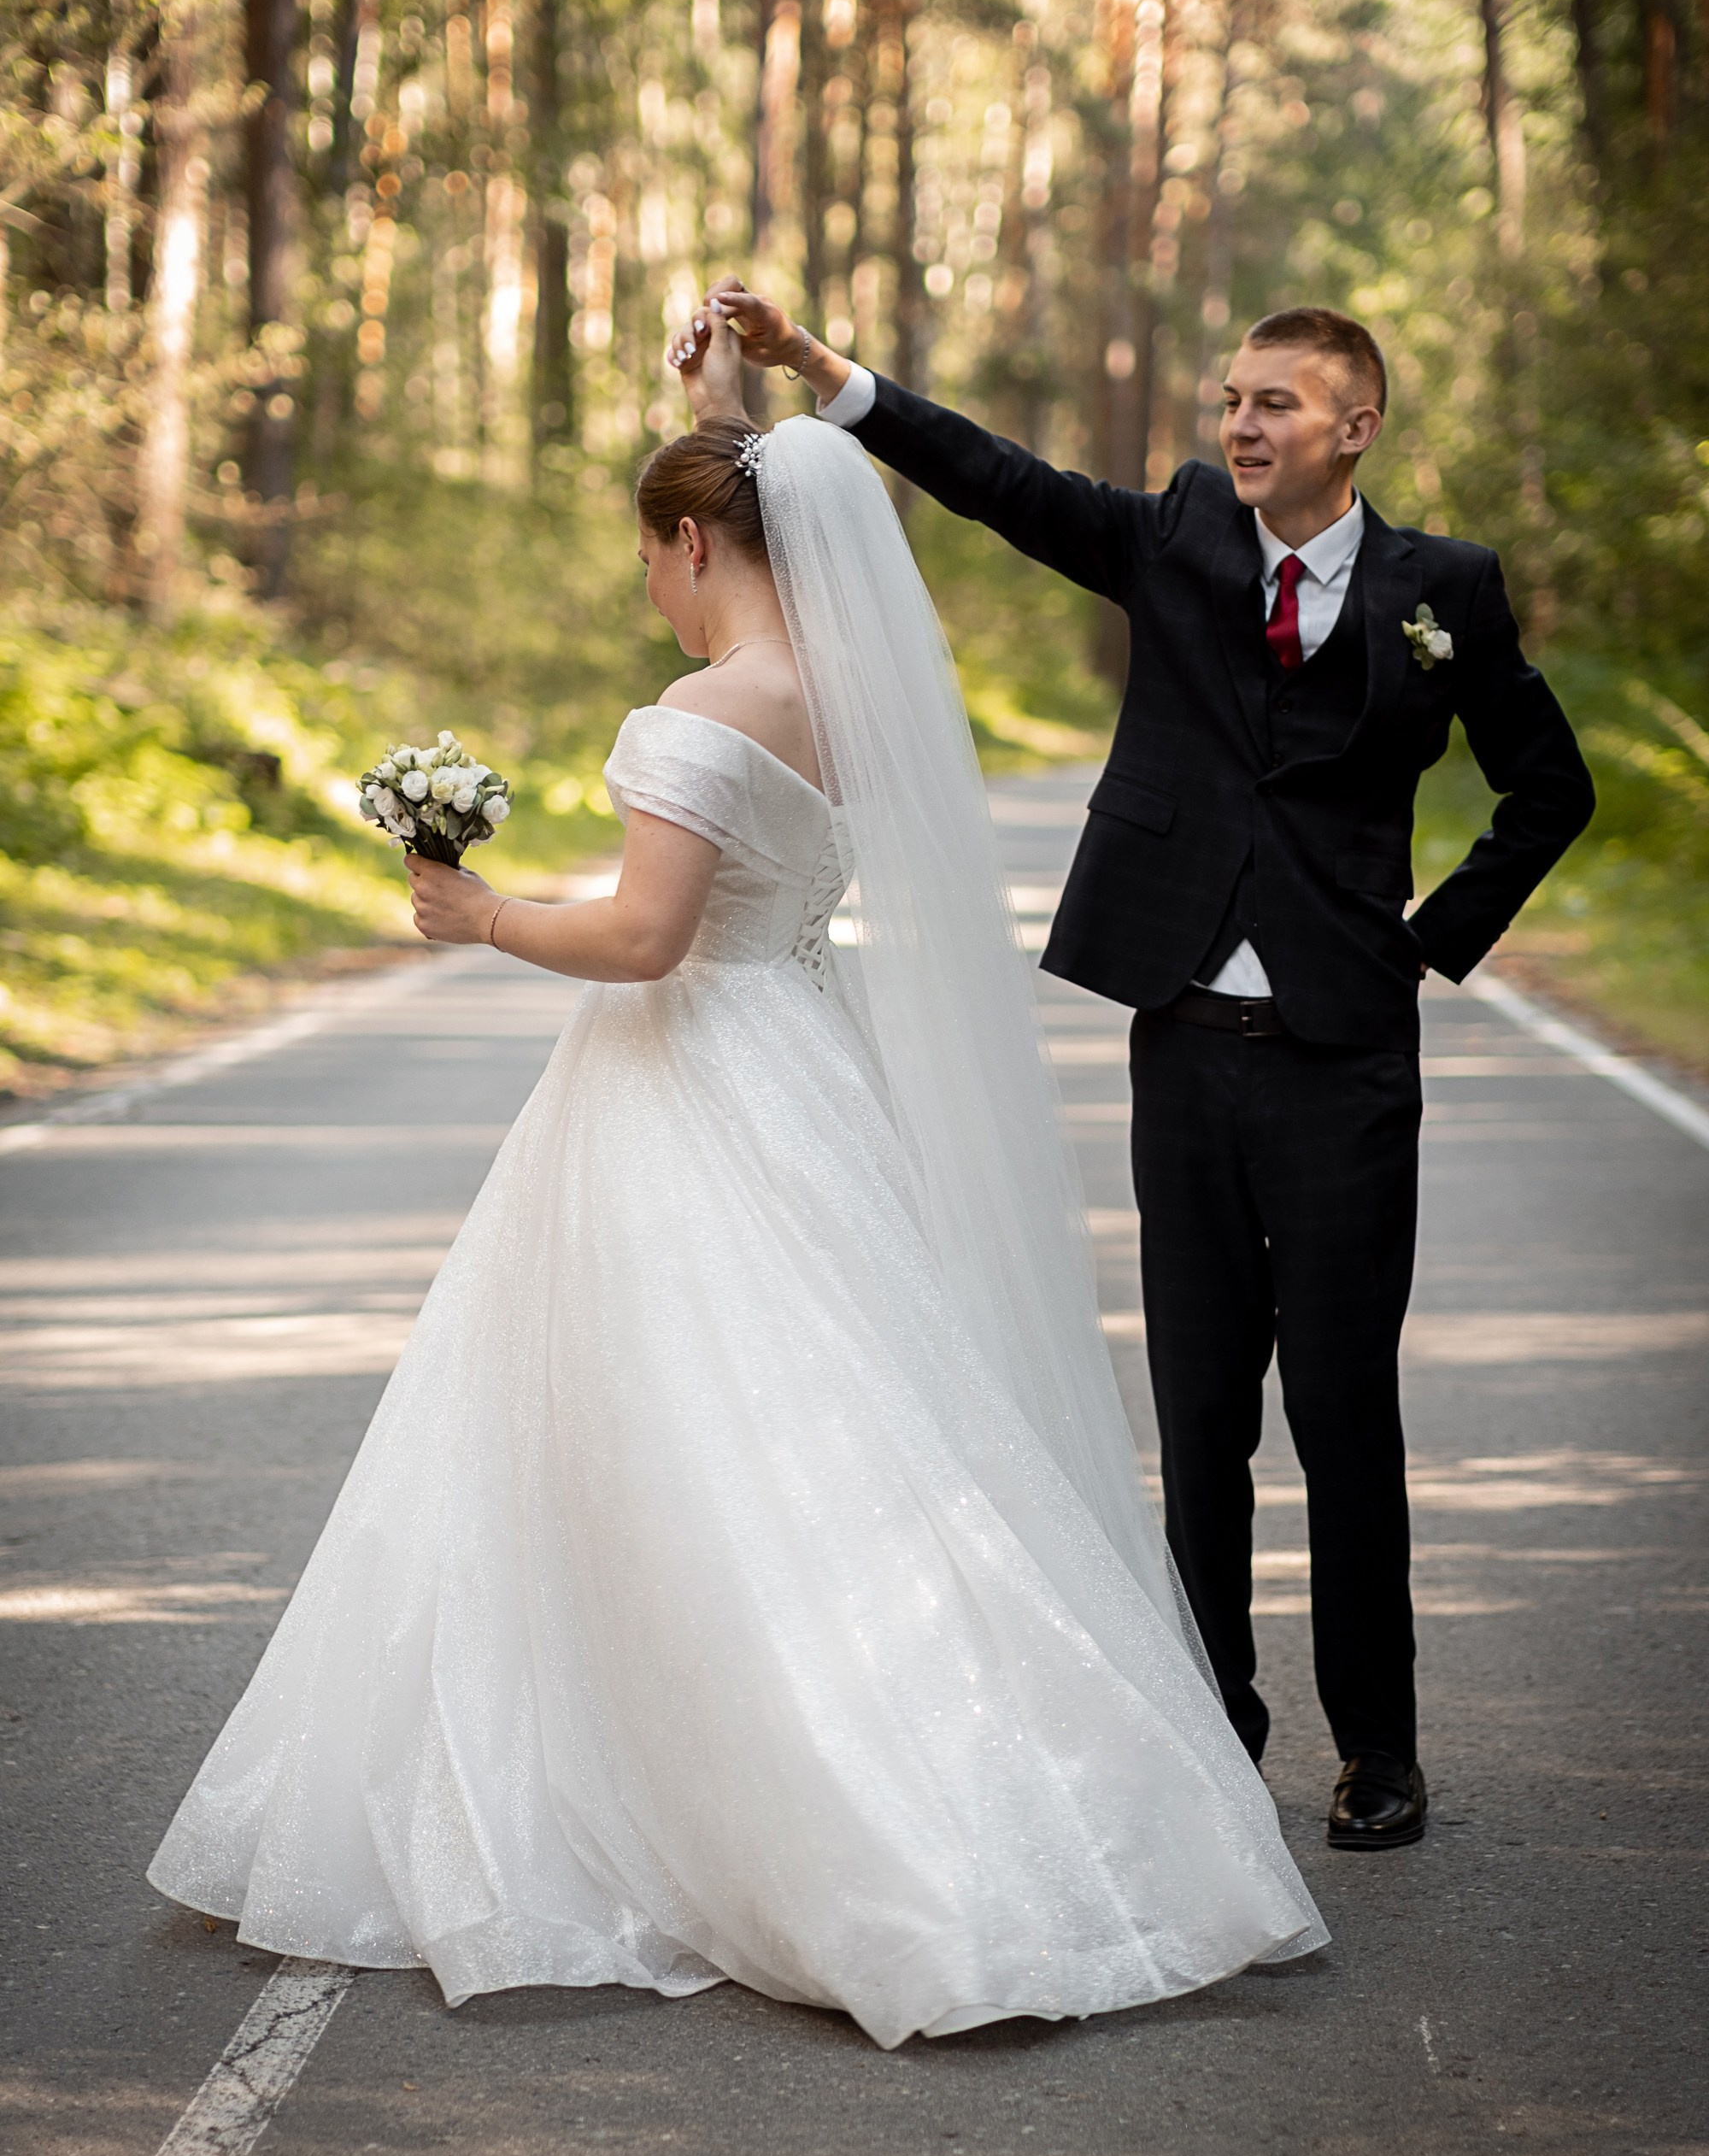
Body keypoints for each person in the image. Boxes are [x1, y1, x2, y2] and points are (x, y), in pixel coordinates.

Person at [148, 360, 1326, 2047]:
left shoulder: (693, 719)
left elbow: (641, 939)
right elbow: (721, 905)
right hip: (806, 1071)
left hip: (682, 1082)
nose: (643, 580)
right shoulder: (845, 701)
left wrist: (479, 918)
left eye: (650, 546)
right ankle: (1007, 1776)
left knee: (660, 1435)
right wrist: (720, 392)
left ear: (697, 539)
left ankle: (727, 1800)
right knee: (853, 1433)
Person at [677, 284, 1596, 1851]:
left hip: (1345, 1061)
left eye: (1276, 405)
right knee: (1198, 1412)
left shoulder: (1448, 590)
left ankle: (1380, 1752)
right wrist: (826, 378)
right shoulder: (1176, 535)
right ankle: (1211, 1725)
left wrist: (1426, 942)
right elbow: (1004, 483)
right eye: (1232, 400)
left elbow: (1549, 787)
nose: (1240, 424)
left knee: (1345, 1414)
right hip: (1181, 1039)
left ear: (1355, 429)